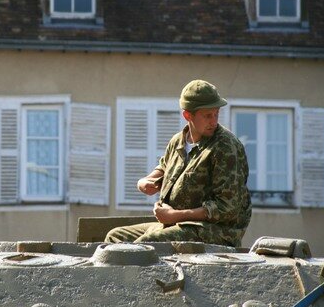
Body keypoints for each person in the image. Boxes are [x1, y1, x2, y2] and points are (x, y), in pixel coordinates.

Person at [105, 79, 251, 247]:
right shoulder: (178, 141)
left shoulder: (225, 147)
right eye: (207, 115)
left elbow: (226, 208)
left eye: (216, 114)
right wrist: (144, 182)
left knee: (144, 246)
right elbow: (163, 168)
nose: (214, 121)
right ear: (188, 115)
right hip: (175, 224)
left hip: (214, 231)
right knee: (115, 238)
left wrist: (175, 215)